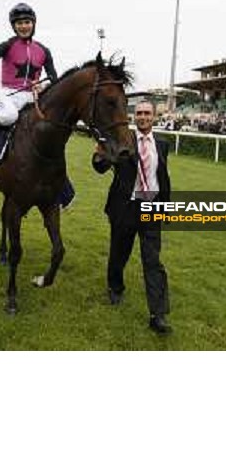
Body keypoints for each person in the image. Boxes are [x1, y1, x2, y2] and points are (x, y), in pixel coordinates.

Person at [92, 100, 172, 334]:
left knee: (153, 261)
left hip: (151, 207)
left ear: (154, 117)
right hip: (125, 207)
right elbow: (100, 167)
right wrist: (99, 155)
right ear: (133, 116)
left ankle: (158, 315)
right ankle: (115, 288)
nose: (143, 117)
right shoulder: (122, 139)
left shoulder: (162, 144)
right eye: (139, 113)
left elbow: (163, 178)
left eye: (147, 113)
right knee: (119, 253)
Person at [0, 2, 58, 146]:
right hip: (8, 94)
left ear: (33, 23)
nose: (23, 26)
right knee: (9, 116)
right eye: (19, 23)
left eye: (27, 22)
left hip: (32, 97)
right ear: (14, 26)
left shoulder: (44, 50)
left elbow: (54, 78)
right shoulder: (9, 45)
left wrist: (43, 85)